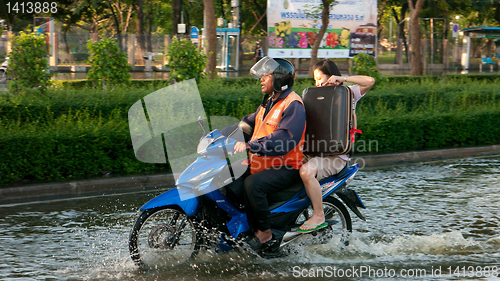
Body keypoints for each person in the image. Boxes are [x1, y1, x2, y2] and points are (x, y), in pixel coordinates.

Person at [232, 57, 306, 250]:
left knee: (252, 184)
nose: (262, 79)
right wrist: (218, 136)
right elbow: (247, 124)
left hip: (287, 166)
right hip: (264, 162)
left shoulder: (293, 104)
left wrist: (252, 146)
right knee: (231, 177)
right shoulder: (269, 102)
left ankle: (265, 232)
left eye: (267, 75)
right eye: (262, 75)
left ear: (280, 79)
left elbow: (285, 138)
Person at [298, 59, 374, 232]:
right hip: (312, 154)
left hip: (336, 158)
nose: (317, 83)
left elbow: (370, 81)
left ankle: (318, 215)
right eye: (315, 79)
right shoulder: (312, 97)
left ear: (331, 76)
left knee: (306, 171)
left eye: (320, 78)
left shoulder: (347, 93)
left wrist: (343, 79)